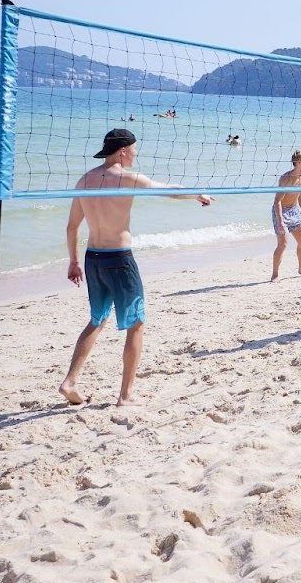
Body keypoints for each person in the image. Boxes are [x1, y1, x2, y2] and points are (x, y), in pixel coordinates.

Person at [60, 129, 212, 406]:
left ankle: (70, 382)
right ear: (122, 151)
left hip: (92, 258)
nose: (136, 154)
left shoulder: (84, 180)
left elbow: (72, 226)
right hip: (119, 259)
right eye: (134, 149)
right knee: (137, 324)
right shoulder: (126, 178)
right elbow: (166, 190)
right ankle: (126, 395)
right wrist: (196, 194)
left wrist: (73, 261)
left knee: (97, 320)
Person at [270, 150, 301, 282]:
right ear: (298, 162)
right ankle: (275, 274)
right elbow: (277, 201)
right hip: (281, 211)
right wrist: (280, 221)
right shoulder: (286, 178)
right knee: (282, 244)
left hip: (294, 210)